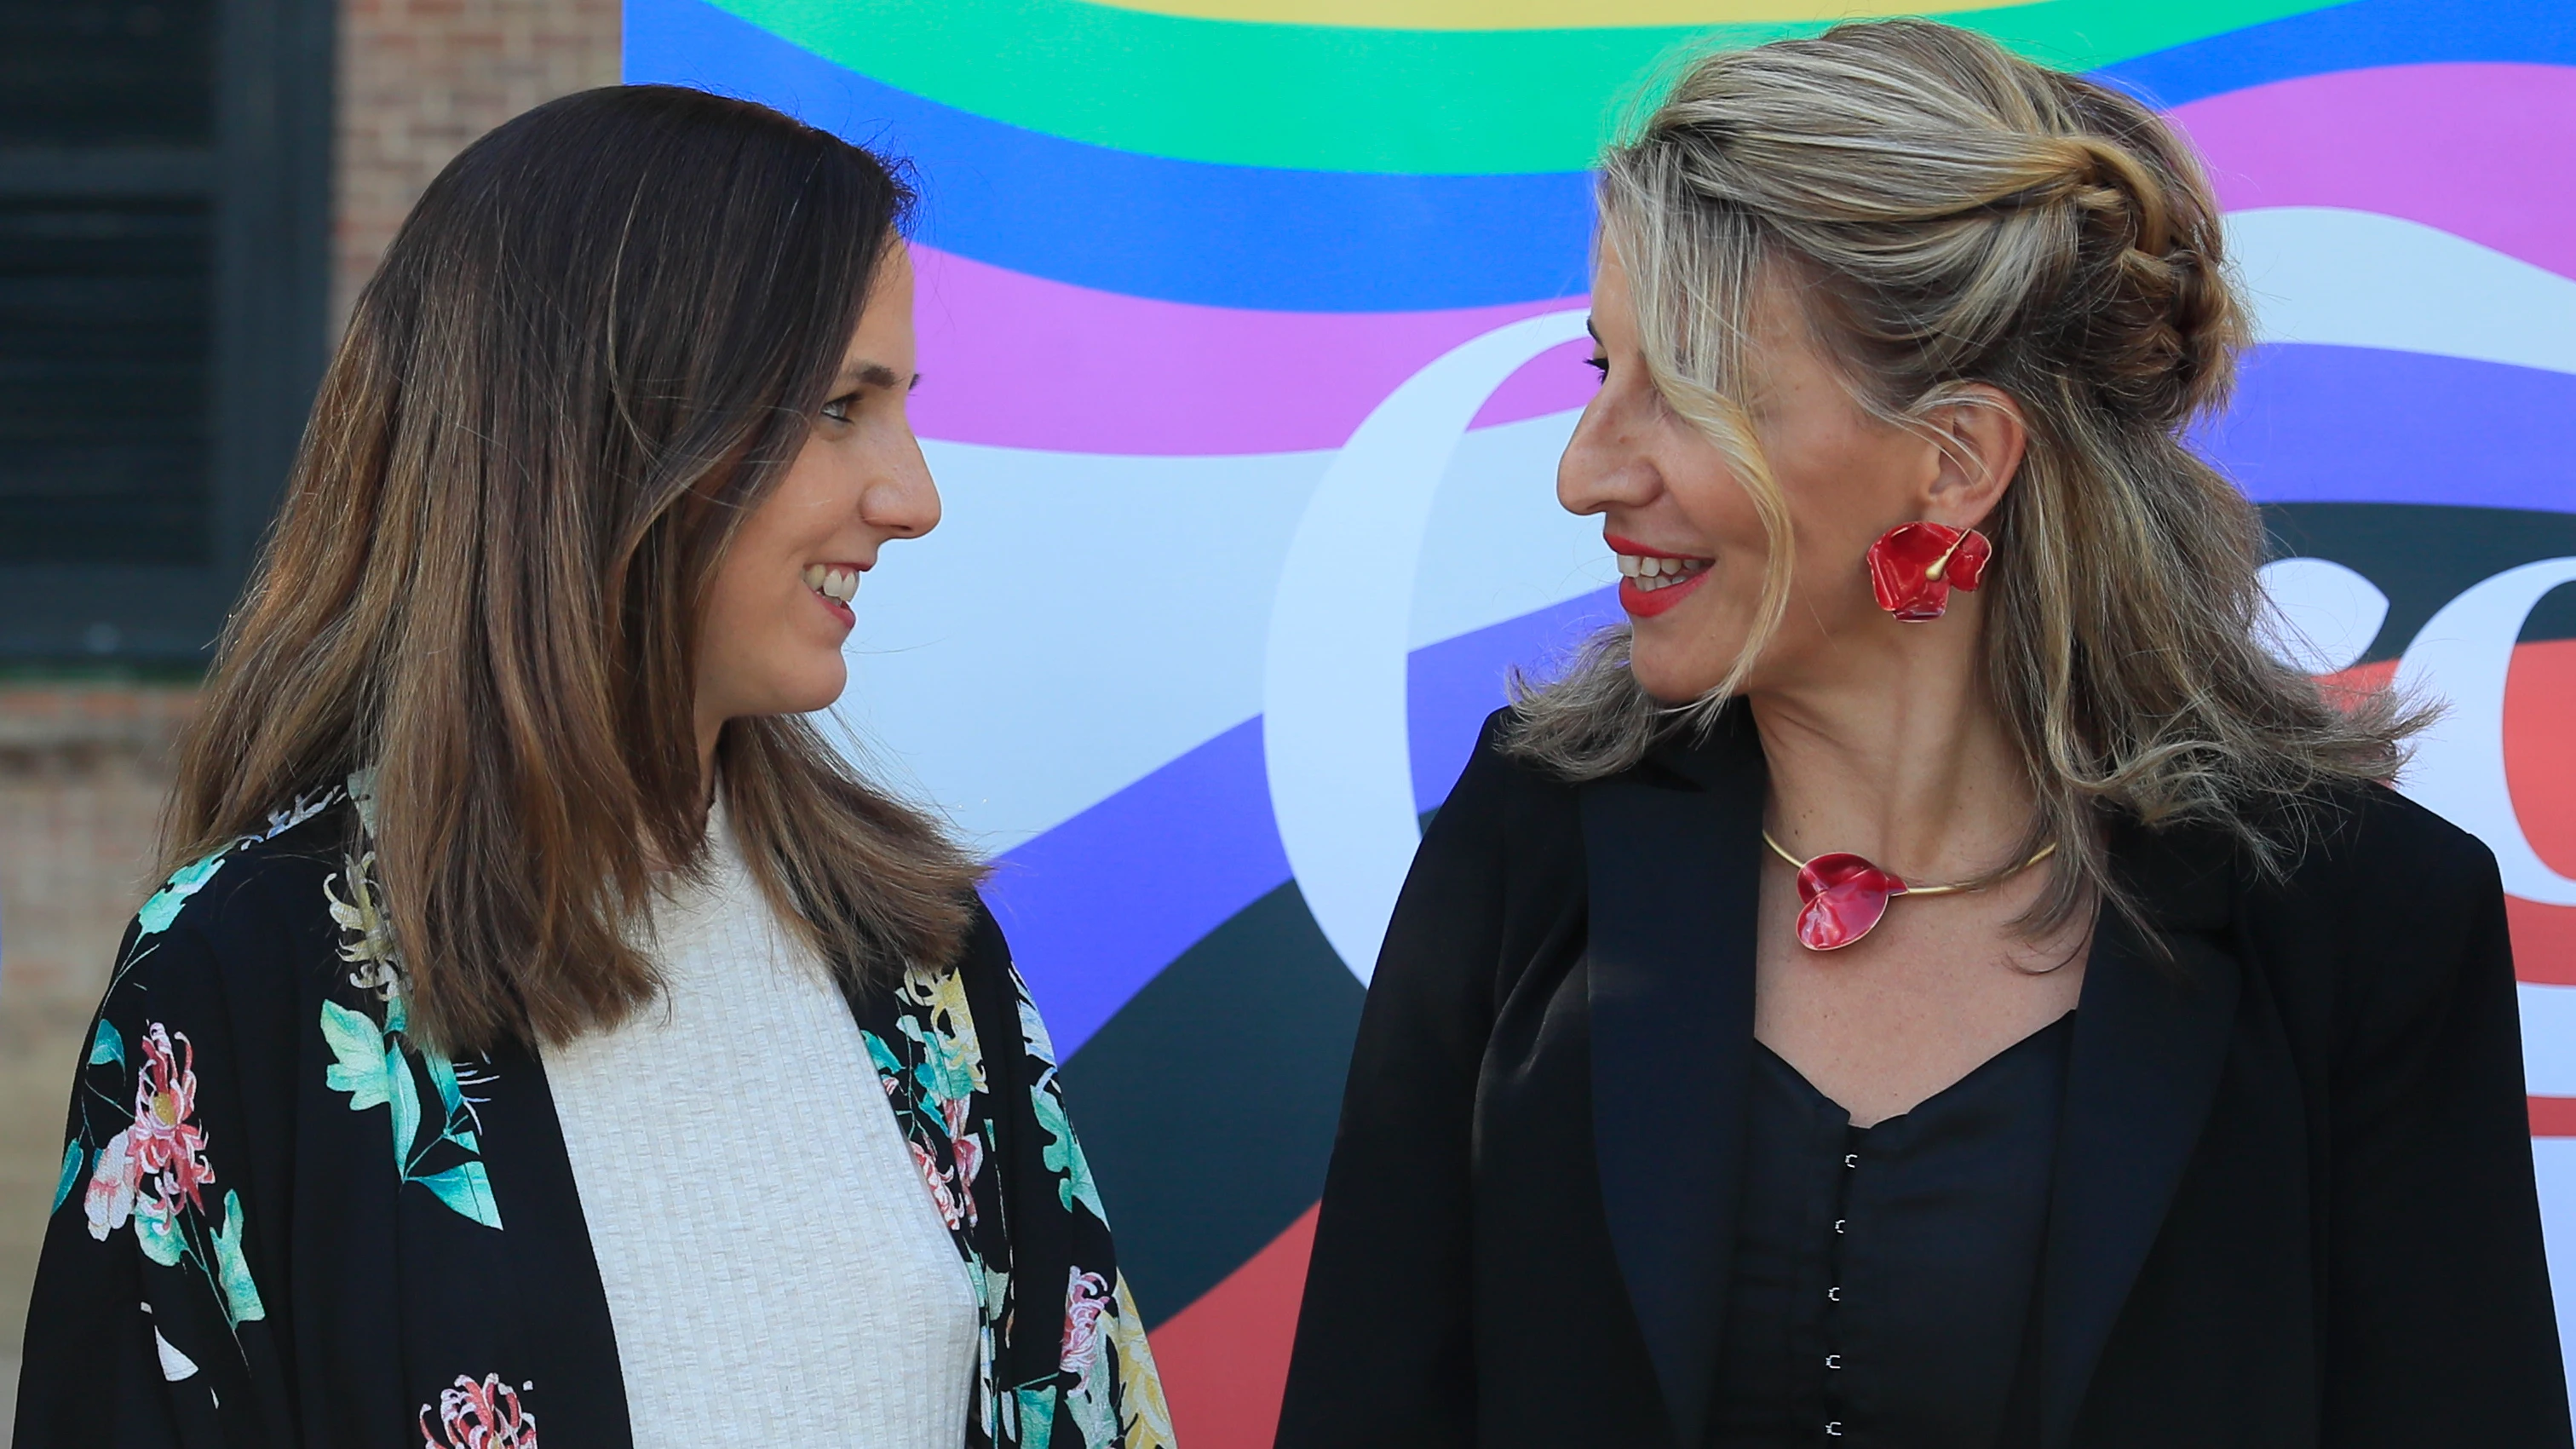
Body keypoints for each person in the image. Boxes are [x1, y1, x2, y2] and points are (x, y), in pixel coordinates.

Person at [1278, 20, 2565, 1449]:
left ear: (1955, 460)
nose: (1588, 471)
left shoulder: (2361, 922)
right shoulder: (1529, 843)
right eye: (1601, 372)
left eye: (1688, 395)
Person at [19, 86, 1169, 1449]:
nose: (914, 497)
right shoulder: (241, 981)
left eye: (899, 407)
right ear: (613, 432)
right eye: (841, 409)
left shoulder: (920, 966)